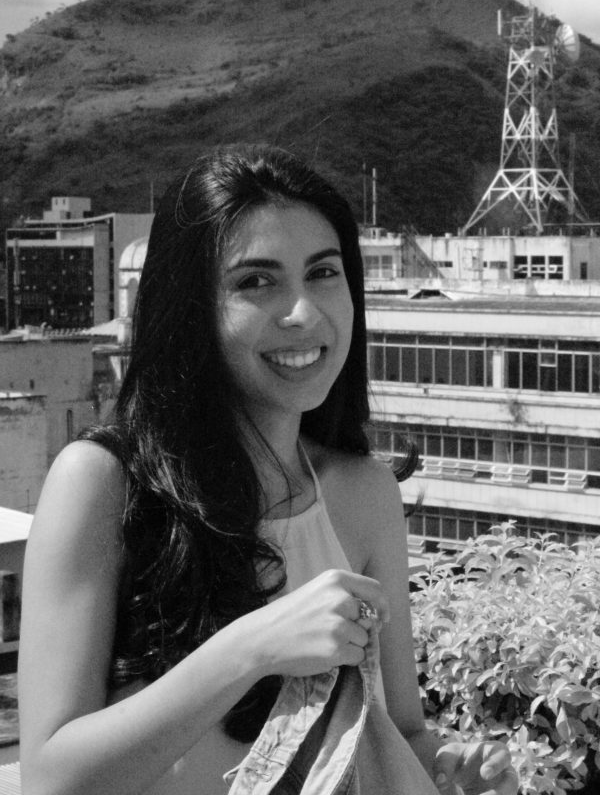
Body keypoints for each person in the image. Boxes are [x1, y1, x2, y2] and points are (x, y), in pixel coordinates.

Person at [18, 145, 518, 795]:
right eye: (256, 281)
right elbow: (50, 778)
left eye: (324, 272)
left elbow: (397, 732)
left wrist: (455, 770)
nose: (303, 312)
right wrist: (253, 648)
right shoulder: (102, 484)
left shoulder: (364, 494)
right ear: (190, 308)